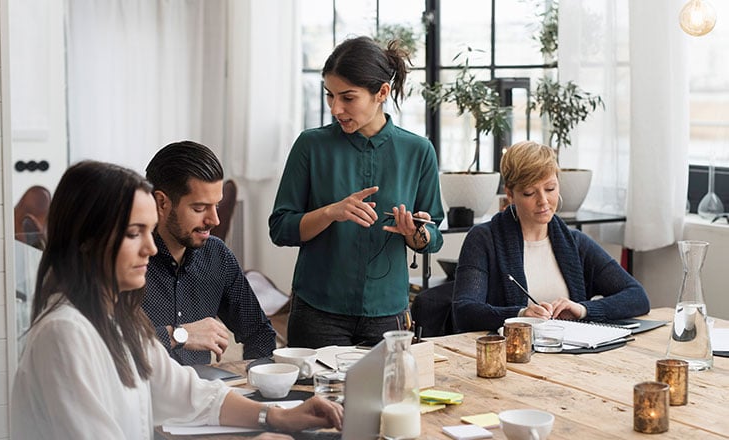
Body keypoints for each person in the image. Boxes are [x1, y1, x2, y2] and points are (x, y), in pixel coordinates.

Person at [11, 160, 343, 439]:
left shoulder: (119, 319)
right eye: (133, 233)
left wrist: (277, 417)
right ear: (86, 240)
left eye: (148, 230)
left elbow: (187, 393)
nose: (151, 248)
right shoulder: (66, 334)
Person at [269, 36, 444, 348]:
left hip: (389, 315)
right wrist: (330, 212)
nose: (336, 108)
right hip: (317, 313)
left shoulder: (419, 151)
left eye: (348, 98)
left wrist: (414, 232)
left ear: (381, 93)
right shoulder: (310, 146)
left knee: (388, 398)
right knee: (314, 397)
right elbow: (281, 229)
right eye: (330, 96)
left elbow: (432, 237)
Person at [451, 141, 650, 332]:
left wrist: (583, 310)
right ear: (510, 194)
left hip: (570, 355)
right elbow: (464, 311)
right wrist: (520, 315)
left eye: (550, 188)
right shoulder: (483, 240)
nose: (543, 201)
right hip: (511, 356)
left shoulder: (575, 243)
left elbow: (637, 296)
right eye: (529, 193)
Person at [143, 141, 276, 365]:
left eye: (216, 205)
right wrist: (179, 335)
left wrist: (256, 383)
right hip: (145, 396)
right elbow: (108, 350)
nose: (214, 220)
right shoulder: (127, 262)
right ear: (161, 203)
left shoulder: (217, 256)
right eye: (199, 208)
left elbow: (260, 333)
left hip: (203, 395)